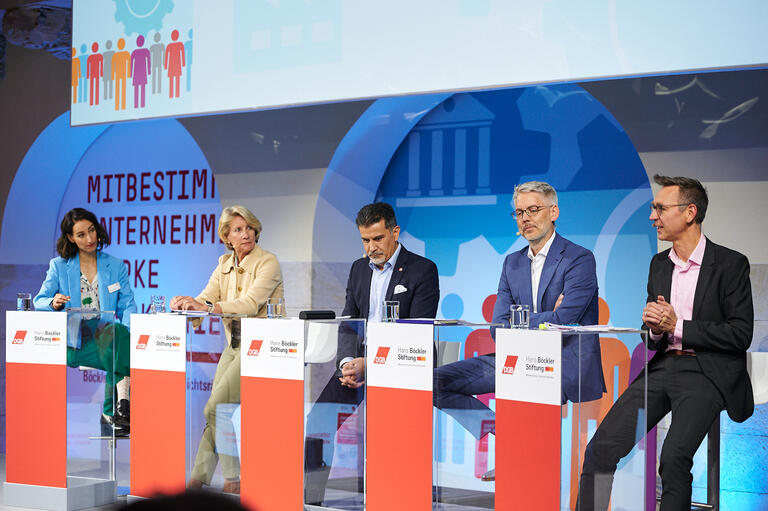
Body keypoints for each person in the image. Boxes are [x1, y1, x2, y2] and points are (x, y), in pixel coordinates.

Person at [577, 175, 754, 511]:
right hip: (664, 367)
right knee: (600, 449)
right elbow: (654, 338)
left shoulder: (730, 264)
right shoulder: (659, 264)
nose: (652, 216)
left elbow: (739, 334)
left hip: (708, 371)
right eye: (652, 208)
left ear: (690, 212)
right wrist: (656, 329)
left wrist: (679, 326)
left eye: (660, 208)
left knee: (672, 459)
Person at [433, 181, 606, 479]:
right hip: (517, 358)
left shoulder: (579, 258)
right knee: (433, 382)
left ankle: (522, 455)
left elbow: (564, 322)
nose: (525, 218)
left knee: (532, 388)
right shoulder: (511, 263)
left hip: (560, 361)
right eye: (519, 212)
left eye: (533, 210)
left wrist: (532, 321)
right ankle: (507, 437)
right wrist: (546, 317)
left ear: (554, 212)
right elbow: (498, 328)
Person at [304, 202, 440, 505]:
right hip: (358, 364)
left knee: (392, 437)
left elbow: (415, 332)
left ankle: (403, 499)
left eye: (377, 238)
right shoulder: (357, 269)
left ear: (394, 232)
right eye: (365, 240)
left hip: (404, 365)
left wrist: (371, 363)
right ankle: (311, 501)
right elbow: (348, 322)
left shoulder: (423, 270)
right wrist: (346, 364)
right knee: (317, 422)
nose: (371, 247)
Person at [172, 205, 284, 495]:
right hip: (233, 347)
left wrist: (207, 307)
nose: (245, 234)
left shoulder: (268, 262)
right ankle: (198, 482)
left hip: (262, 348)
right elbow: (206, 298)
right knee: (215, 413)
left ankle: (234, 479)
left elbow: (250, 304)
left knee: (216, 408)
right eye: (237, 230)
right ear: (227, 237)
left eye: (248, 227)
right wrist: (186, 305)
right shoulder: (224, 263)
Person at [34, 207, 136, 436]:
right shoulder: (59, 266)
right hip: (76, 341)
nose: (90, 239)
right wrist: (54, 302)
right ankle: (114, 412)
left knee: (119, 340)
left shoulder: (115, 265)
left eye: (91, 230)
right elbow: (38, 300)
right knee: (120, 350)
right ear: (70, 238)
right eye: (81, 234)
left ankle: (116, 413)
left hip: (108, 335)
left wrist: (127, 334)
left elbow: (127, 305)